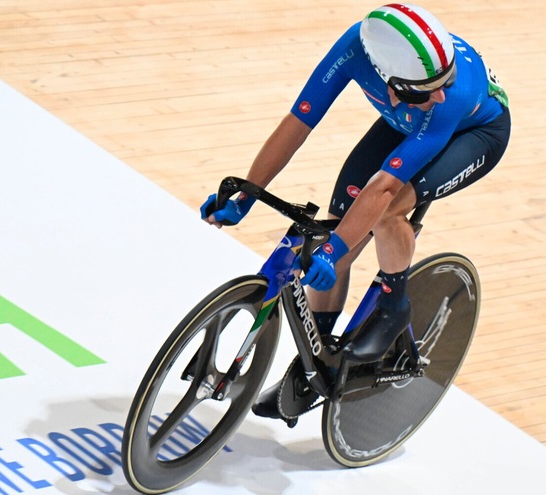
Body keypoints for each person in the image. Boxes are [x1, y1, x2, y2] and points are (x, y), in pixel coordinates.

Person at [201, 3, 510, 419]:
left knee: (385, 214)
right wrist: (248, 193)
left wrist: (333, 249)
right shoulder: (356, 48)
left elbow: (383, 188)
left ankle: (394, 302)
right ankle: (319, 362)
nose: (439, 90)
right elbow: (298, 122)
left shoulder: (445, 98)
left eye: (442, 82)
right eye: (427, 87)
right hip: (408, 120)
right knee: (338, 232)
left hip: (472, 133)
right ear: (388, 78)